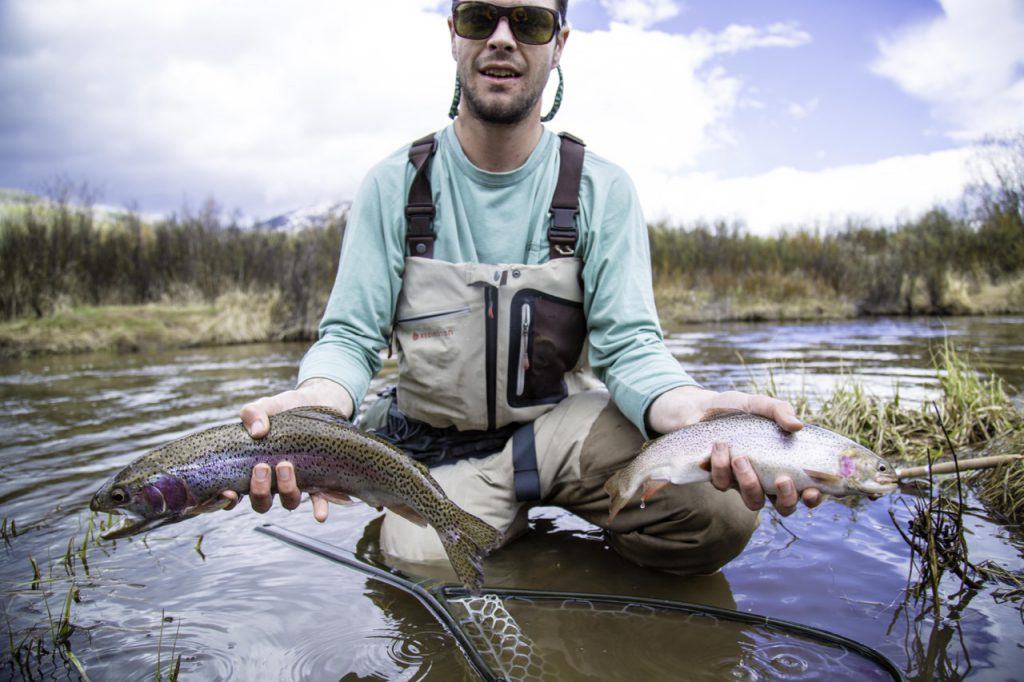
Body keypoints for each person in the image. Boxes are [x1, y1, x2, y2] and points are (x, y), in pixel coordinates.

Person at [222, 0, 822, 576]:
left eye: (530, 22)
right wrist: (318, 406)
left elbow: (631, 345)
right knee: (422, 569)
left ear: (559, 44)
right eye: (480, 17)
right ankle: (500, 533)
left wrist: (686, 407)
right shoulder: (392, 185)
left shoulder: (602, 189)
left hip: (560, 434)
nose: (502, 38)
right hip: (429, 449)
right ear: (454, 34)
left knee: (717, 516)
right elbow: (350, 339)